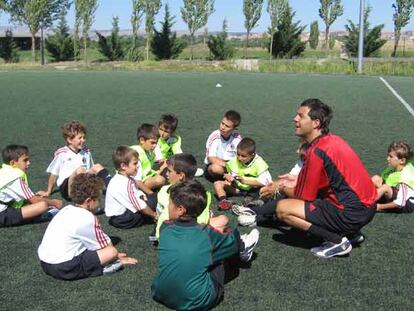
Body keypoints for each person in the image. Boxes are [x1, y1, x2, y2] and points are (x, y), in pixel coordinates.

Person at [275, 98, 377, 258]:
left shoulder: (316, 150)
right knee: (321, 198)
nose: (295, 119)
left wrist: (279, 187)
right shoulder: (335, 140)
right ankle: (351, 233)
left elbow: (303, 196)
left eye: (301, 116)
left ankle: (337, 241)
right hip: (368, 208)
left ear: (316, 123)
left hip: (352, 214)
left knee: (283, 209)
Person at [151, 180, 259, 311]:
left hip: (159, 293)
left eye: (169, 203)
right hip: (198, 300)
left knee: (201, 254)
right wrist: (231, 234)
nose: (167, 207)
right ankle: (244, 249)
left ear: (180, 209)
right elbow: (232, 244)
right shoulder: (207, 235)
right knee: (221, 253)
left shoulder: (164, 227)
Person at [38, 173, 137, 280]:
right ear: (88, 201)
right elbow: (107, 247)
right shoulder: (87, 217)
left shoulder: (66, 210)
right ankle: (104, 268)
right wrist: (115, 257)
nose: (99, 202)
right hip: (63, 268)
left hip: (45, 263)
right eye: (98, 199)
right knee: (111, 252)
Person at [154, 153, 228, 240]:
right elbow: (201, 221)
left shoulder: (164, 190)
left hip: (167, 232)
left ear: (181, 175)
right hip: (182, 233)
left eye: (169, 171)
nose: (166, 174)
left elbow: (159, 215)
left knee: (222, 219)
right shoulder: (200, 193)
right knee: (222, 221)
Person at [41, 120, 112, 201]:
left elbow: (90, 170)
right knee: (80, 169)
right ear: (69, 140)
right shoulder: (62, 153)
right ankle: (79, 199)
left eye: (84, 137)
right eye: (80, 138)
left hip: (83, 184)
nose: (83, 140)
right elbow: (54, 174)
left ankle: (113, 189)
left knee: (97, 167)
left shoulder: (86, 151)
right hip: (67, 188)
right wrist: (48, 191)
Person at [0, 145, 63, 226]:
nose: (29, 163)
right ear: (13, 163)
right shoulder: (15, 178)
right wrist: (54, 202)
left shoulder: (4, 171)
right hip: (2, 215)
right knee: (42, 206)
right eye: (25, 160)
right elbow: (33, 199)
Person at [105, 146, 157, 229]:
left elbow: (135, 193)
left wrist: (142, 195)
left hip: (115, 219)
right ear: (123, 166)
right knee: (155, 199)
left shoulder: (119, 178)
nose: (138, 166)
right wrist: (154, 215)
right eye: (135, 163)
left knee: (151, 199)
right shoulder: (126, 183)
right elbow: (139, 205)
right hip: (124, 219)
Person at [214, 137, 272, 210]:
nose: (239, 158)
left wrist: (244, 181)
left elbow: (264, 182)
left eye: (243, 156)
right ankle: (225, 202)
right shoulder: (235, 159)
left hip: (254, 190)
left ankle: (256, 202)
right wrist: (228, 176)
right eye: (238, 154)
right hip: (238, 188)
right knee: (217, 183)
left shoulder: (260, 163)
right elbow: (231, 173)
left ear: (252, 155)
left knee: (268, 188)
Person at [372, 141, 414, 212]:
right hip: (395, 192)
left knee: (385, 188)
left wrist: (379, 207)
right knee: (376, 178)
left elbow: (400, 203)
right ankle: (358, 196)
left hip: (406, 204)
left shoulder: (405, 177)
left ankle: (365, 203)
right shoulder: (395, 167)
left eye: (391, 157)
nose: (387, 159)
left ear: (402, 160)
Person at [204, 110, 242, 182]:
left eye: (227, 126)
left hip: (231, 166)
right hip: (217, 165)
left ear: (235, 128)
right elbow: (211, 158)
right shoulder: (215, 136)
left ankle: (232, 179)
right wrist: (229, 166)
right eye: (222, 123)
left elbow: (242, 153)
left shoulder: (237, 138)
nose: (222, 127)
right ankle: (230, 178)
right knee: (216, 169)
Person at [131, 123, 166, 191]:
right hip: (135, 182)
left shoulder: (150, 152)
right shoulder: (136, 153)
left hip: (145, 178)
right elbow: (137, 180)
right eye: (152, 143)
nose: (155, 145)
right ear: (142, 140)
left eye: (156, 143)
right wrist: (150, 193)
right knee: (159, 180)